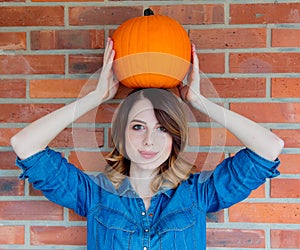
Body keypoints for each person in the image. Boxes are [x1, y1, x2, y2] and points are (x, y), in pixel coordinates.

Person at [11, 37, 284, 250]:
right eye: (138, 127)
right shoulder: (94, 194)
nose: (149, 140)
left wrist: (200, 102)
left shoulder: (198, 195)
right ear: (121, 134)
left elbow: (269, 148)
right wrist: (94, 98)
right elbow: (25, 144)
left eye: (162, 129)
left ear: (175, 138)